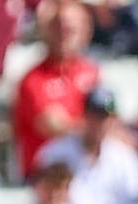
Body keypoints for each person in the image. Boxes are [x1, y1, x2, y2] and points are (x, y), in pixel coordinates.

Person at [11, 0, 98, 179]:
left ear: (86, 31)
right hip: (47, 178)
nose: (64, 36)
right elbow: (52, 124)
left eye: (70, 29)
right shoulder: (33, 79)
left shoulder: (92, 72)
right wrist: (95, 128)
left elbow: (109, 119)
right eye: (57, 27)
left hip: (87, 175)